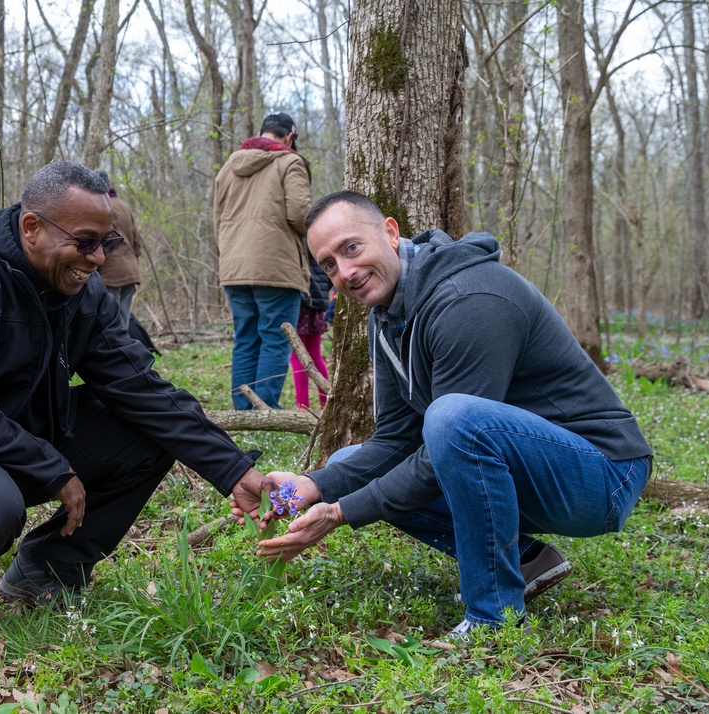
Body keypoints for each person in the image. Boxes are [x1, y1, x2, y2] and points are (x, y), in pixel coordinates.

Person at [0, 161, 270, 644]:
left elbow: (142, 388)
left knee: (146, 434)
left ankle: (45, 570)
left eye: (107, 243)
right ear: (32, 228)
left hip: (8, 444)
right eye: (86, 241)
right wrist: (53, 469)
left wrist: (235, 471)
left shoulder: (83, 293)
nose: (96, 259)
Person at [252, 191, 652, 639]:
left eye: (351, 247)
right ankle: (525, 559)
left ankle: (492, 618)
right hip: (530, 468)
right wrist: (312, 485)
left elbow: (458, 434)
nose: (345, 272)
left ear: (389, 231)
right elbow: (396, 442)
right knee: (349, 461)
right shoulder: (385, 315)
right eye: (328, 264)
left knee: (451, 418)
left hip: (601, 475)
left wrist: (341, 512)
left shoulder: (471, 299)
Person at [214, 112, 311, 410]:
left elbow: (217, 220)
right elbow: (300, 214)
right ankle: (265, 406)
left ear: (261, 133)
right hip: (275, 265)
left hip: (234, 266)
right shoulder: (290, 162)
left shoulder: (229, 168)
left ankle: (243, 407)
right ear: (289, 137)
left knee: (245, 337)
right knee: (275, 336)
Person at [95, 170, 143, 331]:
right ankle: (123, 353)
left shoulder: (104, 207)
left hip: (111, 272)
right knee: (123, 322)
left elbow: (106, 240)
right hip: (130, 270)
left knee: (112, 321)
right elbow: (137, 242)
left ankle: (117, 354)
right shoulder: (124, 206)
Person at [290, 249, 332, 410]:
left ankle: (302, 405)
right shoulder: (318, 242)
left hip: (301, 301)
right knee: (314, 355)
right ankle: (325, 400)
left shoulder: (300, 240)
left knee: (297, 357)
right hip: (317, 300)